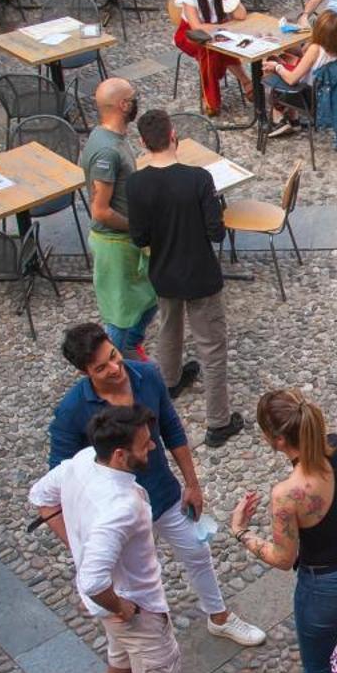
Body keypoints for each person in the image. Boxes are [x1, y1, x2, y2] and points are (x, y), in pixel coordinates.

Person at [27, 405, 209, 673]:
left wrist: (77, 543)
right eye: (145, 443)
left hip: (114, 615)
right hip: (137, 612)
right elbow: (92, 581)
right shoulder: (123, 505)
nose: (152, 446)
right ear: (121, 455)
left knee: (118, 666)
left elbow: (40, 497)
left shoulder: (77, 464)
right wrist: (124, 605)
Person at [48, 323, 265, 646]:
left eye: (114, 355)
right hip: (119, 511)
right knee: (136, 583)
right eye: (101, 367)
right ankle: (145, 642)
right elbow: (59, 481)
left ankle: (219, 617)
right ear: (85, 372)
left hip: (163, 492)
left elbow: (172, 429)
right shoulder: (71, 412)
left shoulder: (146, 376)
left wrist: (192, 483)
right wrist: (79, 543)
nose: (114, 368)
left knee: (197, 551)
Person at [230, 389, 337, 673]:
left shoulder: (287, 494)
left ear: (279, 441)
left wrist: (241, 532)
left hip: (324, 587)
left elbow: (284, 558)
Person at [122, 109, 245, 447]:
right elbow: (216, 233)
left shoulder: (136, 184)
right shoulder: (198, 179)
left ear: (143, 144)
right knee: (211, 346)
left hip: (164, 272)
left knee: (168, 330)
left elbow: (139, 238)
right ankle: (218, 421)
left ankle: (171, 380)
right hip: (200, 274)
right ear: (174, 134)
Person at [80, 78, 161, 359]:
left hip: (127, 241)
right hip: (116, 244)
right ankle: (115, 362)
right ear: (123, 105)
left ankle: (128, 347)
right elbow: (100, 210)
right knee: (120, 315)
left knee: (149, 297)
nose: (137, 100)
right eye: (133, 97)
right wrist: (138, 228)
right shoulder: (106, 151)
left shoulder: (112, 139)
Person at [263, 8, 337, 148]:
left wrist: (276, 67)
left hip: (312, 98)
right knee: (286, 59)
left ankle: (282, 118)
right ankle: (293, 119)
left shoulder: (316, 49)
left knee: (270, 65)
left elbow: (292, 79)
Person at [171, 0, 248, 116]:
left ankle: (212, 99)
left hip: (217, 31)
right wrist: (222, 29)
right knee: (210, 48)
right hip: (190, 34)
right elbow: (195, 25)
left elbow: (241, 15)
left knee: (216, 47)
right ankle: (242, 84)